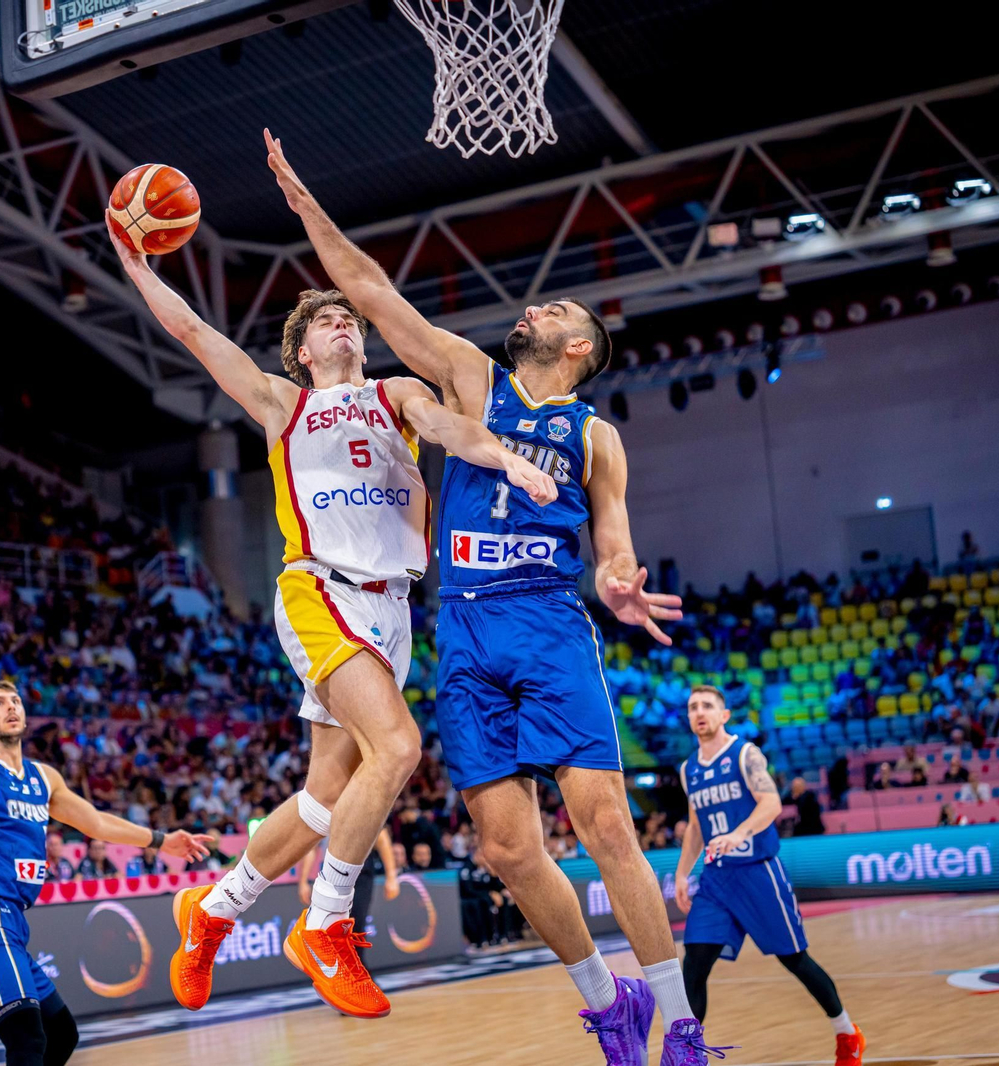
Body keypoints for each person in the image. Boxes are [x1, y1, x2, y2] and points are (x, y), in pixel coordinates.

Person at [264, 130, 716, 1064]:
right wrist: (309, 213)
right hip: (466, 631)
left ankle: (680, 1027)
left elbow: (615, 544)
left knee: (605, 824)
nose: (534, 306)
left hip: (548, 622)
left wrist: (619, 581)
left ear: (577, 345)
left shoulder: (595, 437)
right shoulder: (472, 377)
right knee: (507, 849)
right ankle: (608, 1003)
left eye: (555, 308)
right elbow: (375, 295)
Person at [114, 215, 556, 1021]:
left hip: (393, 607)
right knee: (399, 747)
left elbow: (448, 428)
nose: (342, 322)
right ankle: (325, 924)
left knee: (325, 795)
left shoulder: (397, 394)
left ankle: (212, 909)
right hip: (321, 589)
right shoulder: (282, 402)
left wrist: (504, 457)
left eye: (347, 315)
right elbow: (195, 333)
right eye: (325, 320)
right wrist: (139, 268)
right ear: (304, 352)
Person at [0, 681, 214, 1066]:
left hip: (13, 921)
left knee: (61, 1034)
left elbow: (96, 822)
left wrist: (162, 841)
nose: (10, 707)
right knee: (27, 1037)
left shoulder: (44, 778)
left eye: (15, 701)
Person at [675, 686, 864, 1066]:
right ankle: (687, 1056)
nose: (699, 712)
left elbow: (772, 802)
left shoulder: (745, 754)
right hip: (716, 879)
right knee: (693, 962)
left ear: (724, 715)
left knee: (794, 959)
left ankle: (847, 1033)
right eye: (693, 707)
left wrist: (739, 833)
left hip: (758, 871)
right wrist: (682, 874)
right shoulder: (688, 769)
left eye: (707, 706)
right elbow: (696, 825)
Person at [299, 827, 400, 957]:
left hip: (360, 875)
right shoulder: (327, 816)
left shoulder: (363, 814)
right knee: (329, 927)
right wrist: (303, 882)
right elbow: (312, 846)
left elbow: (382, 837)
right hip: (332, 877)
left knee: (355, 926)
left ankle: (356, 964)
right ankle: (335, 965)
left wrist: (391, 877)